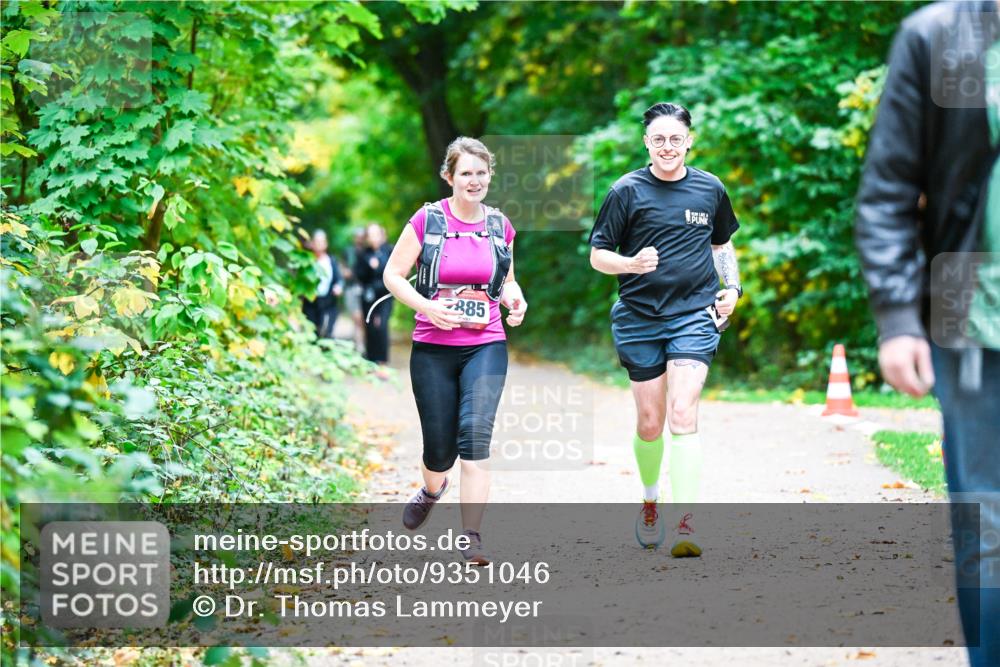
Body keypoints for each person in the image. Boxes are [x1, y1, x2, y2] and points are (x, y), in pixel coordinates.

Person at [855, 3, 999, 665]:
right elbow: (889, 189)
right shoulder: (939, 36)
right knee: (989, 524)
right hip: (975, 316)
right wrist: (898, 317)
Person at [588, 102, 741, 557]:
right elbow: (598, 255)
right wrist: (630, 263)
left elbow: (723, 244)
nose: (668, 146)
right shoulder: (626, 191)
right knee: (651, 424)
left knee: (682, 412)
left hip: (694, 314)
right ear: (646, 143)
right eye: (659, 139)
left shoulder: (710, 189)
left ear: (689, 140)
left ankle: (687, 524)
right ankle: (651, 499)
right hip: (638, 316)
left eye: (676, 138)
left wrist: (732, 286)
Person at [382, 136, 527, 564]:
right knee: (439, 449)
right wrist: (427, 306)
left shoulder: (500, 226)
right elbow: (393, 275)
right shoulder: (428, 220)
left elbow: (507, 282)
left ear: (490, 176)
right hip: (432, 346)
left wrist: (516, 301)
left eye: (482, 173)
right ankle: (432, 488)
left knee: (475, 435)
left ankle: (471, 537)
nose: (475, 180)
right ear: (449, 177)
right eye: (466, 173)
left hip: (486, 343)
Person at [355, 224, 393, 363]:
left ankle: (382, 360)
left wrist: (379, 266)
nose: (374, 238)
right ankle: (371, 359)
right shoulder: (363, 253)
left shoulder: (389, 250)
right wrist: (368, 266)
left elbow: (396, 272)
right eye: (370, 235)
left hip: (385, 295)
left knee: (382, 325)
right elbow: (359, 275)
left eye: (376, 234)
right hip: (368, 296)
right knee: (370, 326)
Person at [301, 229, 343, 339]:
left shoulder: (332, 261)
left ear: (326, 244)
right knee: (312, 333)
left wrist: (339, 287)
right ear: (312, 244)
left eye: (321, 242)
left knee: (327, 333)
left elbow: (339, 279)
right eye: (316, 242)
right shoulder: (306, 261)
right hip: (311, 302)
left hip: (329, 302)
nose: (319, 245)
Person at [342, 228, 367, 353]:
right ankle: (359, 345)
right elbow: (344, 269)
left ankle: (361, 344)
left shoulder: (368, 251)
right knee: (357, 318)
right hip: (352, 287)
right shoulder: (348, 251)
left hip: (365, 289)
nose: (360, 239)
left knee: (363, 319)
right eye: (358, 236)